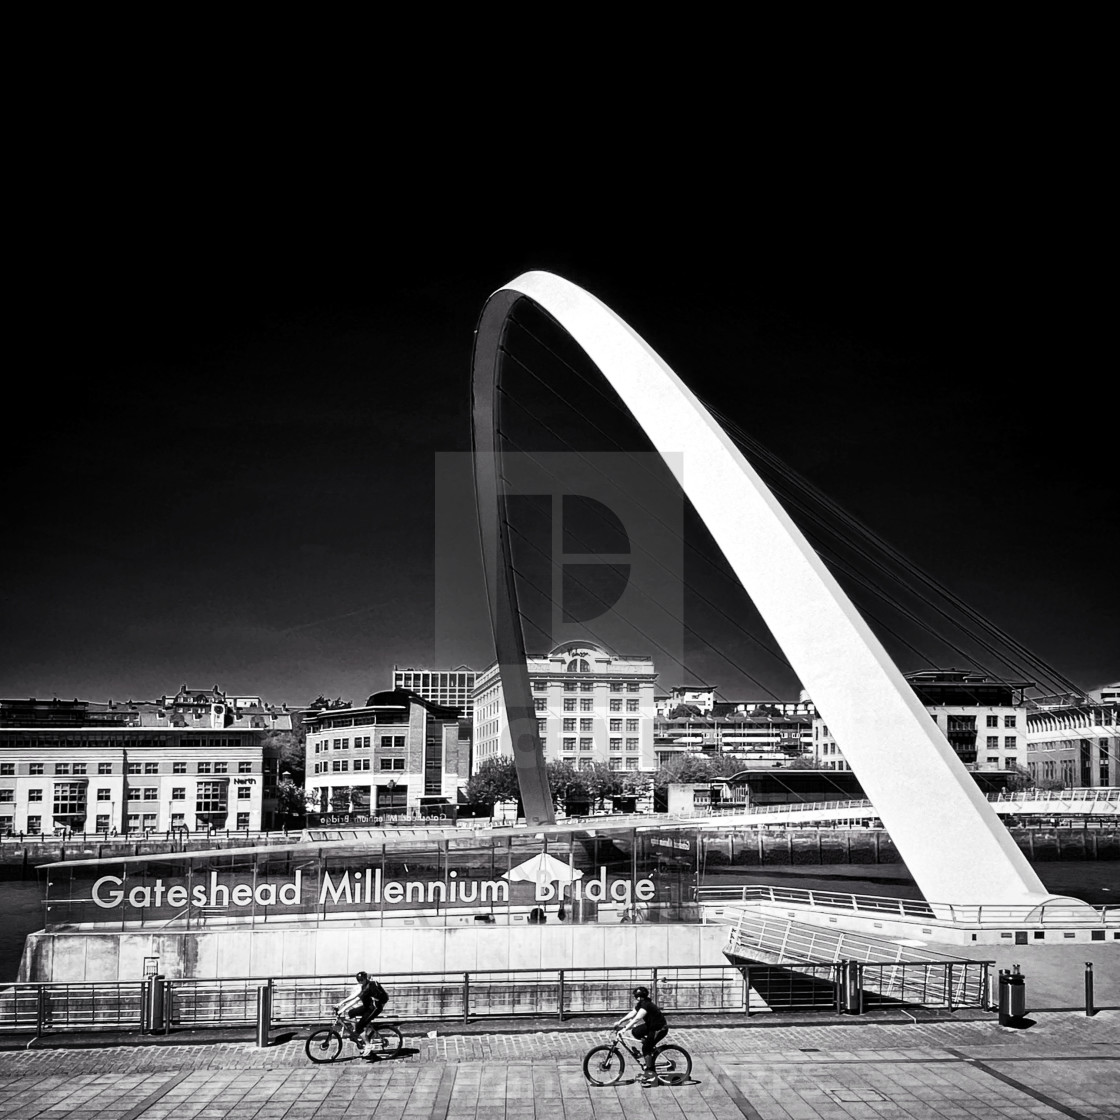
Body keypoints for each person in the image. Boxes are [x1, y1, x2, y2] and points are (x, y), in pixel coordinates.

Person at [614, 986, 668, 1086]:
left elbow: (636, 1018)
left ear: (639, 997)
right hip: (651, 1026)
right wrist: (620, 1021)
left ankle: (652, 1076)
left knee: (646, 1049)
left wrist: (624, 1029)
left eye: (636, 996)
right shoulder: (642, 1003)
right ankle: (648, 1050)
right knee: (635, 1032)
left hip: (659, 1029)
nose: (636, 998)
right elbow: (632, 1013)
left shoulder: (646, 1005)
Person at [336, 970, 388, 1050]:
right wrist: (341, 1003)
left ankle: (368, 1045)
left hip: (374, 1008)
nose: (360, 982)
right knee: (351, 1013)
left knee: (359, 1026)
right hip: (368, 1006)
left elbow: (356, 1000)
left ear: (365, 978)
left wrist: (342, 1009)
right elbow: (354, 995)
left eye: (361, 980)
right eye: (358, 980)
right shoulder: (364, 985)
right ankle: (358, 1033)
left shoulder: (369, 986)